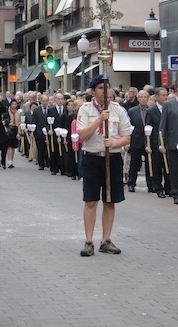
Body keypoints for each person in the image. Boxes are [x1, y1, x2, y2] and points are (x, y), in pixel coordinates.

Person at [77, 75, 132, 257]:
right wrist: (99, 119)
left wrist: (114, 143)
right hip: (92, 158)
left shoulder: (118, 110)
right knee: (91, 201)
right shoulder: (85, 109)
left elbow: (126, 136)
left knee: (109, 200)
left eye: (107, 88)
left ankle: (106, 240)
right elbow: (82, 135)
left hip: (112, 158)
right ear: (93, 91)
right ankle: (88, 241)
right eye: (101, 88)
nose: (105, 91)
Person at [145, 87, 169, 198]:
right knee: (157, 166)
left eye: (166, 95)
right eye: (163, 95)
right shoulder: (151, 111)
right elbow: (148, 128)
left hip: (168, 141)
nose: (165, 97)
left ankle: (169, 188)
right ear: (157, 97)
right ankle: (158, 188)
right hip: (155, 142)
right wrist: (147, 144)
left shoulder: (170, 108)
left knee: (168, 165)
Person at [126, 90, 152, 193]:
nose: (143, 99)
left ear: (148, 98)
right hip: (136, 139)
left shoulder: (151, 110)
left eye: (145, 97)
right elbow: (128, 126)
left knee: (149, 163)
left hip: (148, 140)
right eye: (141, 97)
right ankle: (131, 183)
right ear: (138, 98)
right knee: (134, 163)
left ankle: (150, 184)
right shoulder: (132, 111)